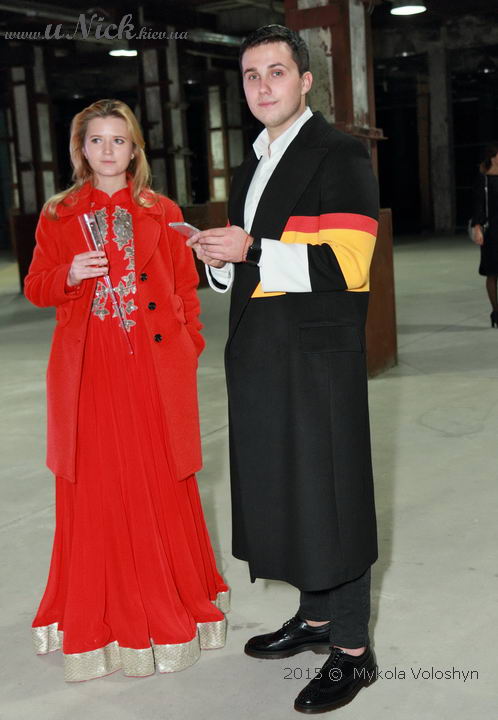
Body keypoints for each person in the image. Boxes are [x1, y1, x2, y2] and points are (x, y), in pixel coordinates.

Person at [188, 24, 379, 715]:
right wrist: (218, 259)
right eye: (251, 75)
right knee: (291, 491)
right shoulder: (252, 165)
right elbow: (250, 263)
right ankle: (317, 618)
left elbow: (348, 264)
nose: (263, 85)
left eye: (276, 72)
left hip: (317, 357)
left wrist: (251, 250)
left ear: (305, 81)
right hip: (262, 351)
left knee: (332, 497)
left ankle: (352, 652)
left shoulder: (340, 152)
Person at [24, 99, 229, 683]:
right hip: (90, 371)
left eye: (119, 140)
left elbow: (185, 289)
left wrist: (188, 345)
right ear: (80, 149)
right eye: (97, 140)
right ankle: (102, 614)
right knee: (99, 484)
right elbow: (36, 285)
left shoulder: (163, 212)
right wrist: (68, 275)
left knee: (157, 476)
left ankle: (172, 596)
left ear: (135, 148)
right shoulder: (59, 213)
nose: (108, 150)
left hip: (153, 368)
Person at [471, 143, 498, 327]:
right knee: (492, 272)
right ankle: (496, 312)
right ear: (493, 157)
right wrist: (477, 227)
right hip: (492, 230)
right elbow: (478, 204)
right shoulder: (484, 179)